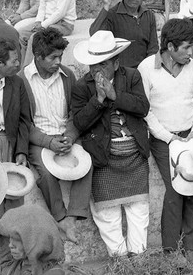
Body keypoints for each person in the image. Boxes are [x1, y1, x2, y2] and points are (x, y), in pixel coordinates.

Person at [72, 30, 150, 257]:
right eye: (92, 65)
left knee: (139, 212)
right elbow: (80, 122)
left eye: (102, 64)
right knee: (108, 216)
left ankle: (139, 260)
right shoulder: (81, 86)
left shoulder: (132, 76)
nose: (96, 70)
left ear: (116, 63)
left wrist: (115, 95)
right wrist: (98, 99)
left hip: (134, 155)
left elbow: (142, 107)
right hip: (104, 157)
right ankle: (120, 263)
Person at [138, 19, 193, 254]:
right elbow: (144, 109)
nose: (191, 52)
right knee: (176, 190)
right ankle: (170, 249)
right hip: (163, 141)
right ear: (170, 47)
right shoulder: (147, 68)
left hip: (191, 137)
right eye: (186, 47)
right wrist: (168, 138)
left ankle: (190, 248)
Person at [18, 27, 92, 244]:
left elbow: (74, 113)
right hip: (39, 140)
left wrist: (70, 135)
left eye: (60, 56)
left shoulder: (68, 75)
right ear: (38, 57)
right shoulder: (22, 80)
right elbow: (25, 123)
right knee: (47, 175)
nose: (58, 61)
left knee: (87, 164)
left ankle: (74, 213)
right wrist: (48, 142)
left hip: (65, 135)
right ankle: (60, 218)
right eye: (53, 57)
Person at [0, 38, 31, 236]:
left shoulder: (17, 83)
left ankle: (17, 248)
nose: (18, 64)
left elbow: (24, 120)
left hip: (11, 143)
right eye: (14, 60)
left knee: (15, 194)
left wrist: (21, 150)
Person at [90, 0, 158, 68]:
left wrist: (147, 70)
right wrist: (106, 6)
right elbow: (94, 34)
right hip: (120, 73)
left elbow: (153, 49)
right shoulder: (112, 14)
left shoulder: (149, 15)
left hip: (143, 72)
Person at [0, 205, 65, 275]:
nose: (10, 245)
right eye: (10, 237)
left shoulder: (53, 272)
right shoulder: (9, 267)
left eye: (17, 239)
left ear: (38, 242)